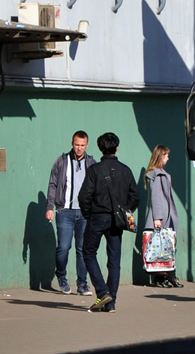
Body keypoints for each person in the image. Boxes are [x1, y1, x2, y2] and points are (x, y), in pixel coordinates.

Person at [78, 132, 139, 313]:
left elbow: (84, 196)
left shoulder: (94, 170)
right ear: (117, 148)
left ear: (99, 148)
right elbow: (135, 196)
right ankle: (111, 302)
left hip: (97, 216)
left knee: (88, 252)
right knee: (114, 260)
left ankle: (103, 292)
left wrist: (89, 213)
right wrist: (125, 211)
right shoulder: (125, 170)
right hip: (117, 220)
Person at [46, 131, 96, 296]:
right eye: (76, 144)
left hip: (84, 213)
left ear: (87, 145)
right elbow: (53, 184)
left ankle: (82, 284)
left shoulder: (91, 163)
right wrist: (49, 207)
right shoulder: (61, 161)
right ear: (72, 143)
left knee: (82, 249)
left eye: (82, 145)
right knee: (64, 247)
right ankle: (61, 275)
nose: (79, 148)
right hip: (64, 211)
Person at [144, 145, 183, 288]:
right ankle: (165, 277)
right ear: (160, 156)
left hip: (164, 216)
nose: (168, 158)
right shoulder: (157, 174)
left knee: (164, 247)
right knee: (163, 247)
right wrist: (158, 217)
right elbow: (157, 197)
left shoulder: (159, 174)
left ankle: (164, 277)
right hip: (162, 217)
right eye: (166, 156)